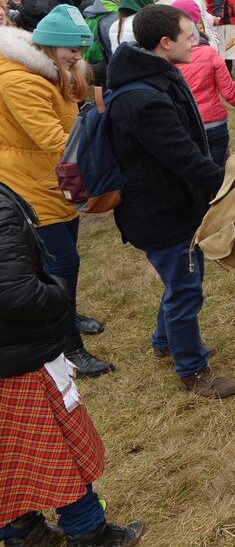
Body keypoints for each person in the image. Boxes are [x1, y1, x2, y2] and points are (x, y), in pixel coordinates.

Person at [0, 181, 145, 547]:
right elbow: (17, 293)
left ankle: (23, 532)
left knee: (8, 459)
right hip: (19, 361)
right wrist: (59, 292)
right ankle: (89, 532)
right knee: (62, 449)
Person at [106, 5, 235, 398]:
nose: (195, 40)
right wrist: (232, 183)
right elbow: (184, 157)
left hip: (171, 203)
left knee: (179, 281)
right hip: (161, 212)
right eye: (188, 35)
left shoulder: (156, 76)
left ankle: (166, 341)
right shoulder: (144, 100)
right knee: (185, 288)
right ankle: (192, 369)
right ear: (166, 43)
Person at [0, 6, 115, 378]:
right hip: (29, 183)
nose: (79, 58)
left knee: (65, 260)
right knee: (60, 264)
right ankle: (69, 348)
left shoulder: (48, 71)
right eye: (74, 51)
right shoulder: (20, 81)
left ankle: (69, 314)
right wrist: (100, 149)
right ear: (50, 45)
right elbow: (53, 138)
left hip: (53, 180)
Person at [168, 0, 235, 167]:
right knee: (218, 173)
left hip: (184, 125)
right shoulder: (209, 53)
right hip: (214, 123)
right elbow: (228, 91)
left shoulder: (168, 57)